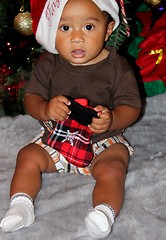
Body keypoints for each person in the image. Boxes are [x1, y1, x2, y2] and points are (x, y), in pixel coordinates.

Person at [0, 0, 141, 238]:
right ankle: (21, 205)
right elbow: (32, 98)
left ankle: (103, 212)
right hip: (57, 138)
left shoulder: (117, 67)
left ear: (108, 29)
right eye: (65, 28)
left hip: (101, 142)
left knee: (115, 167)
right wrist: (45, 109)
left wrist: (113, 118)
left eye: (88, 27)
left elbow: (131, 106)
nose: (77, 38)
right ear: (51, 30)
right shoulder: (48, 64)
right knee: (27, 156)